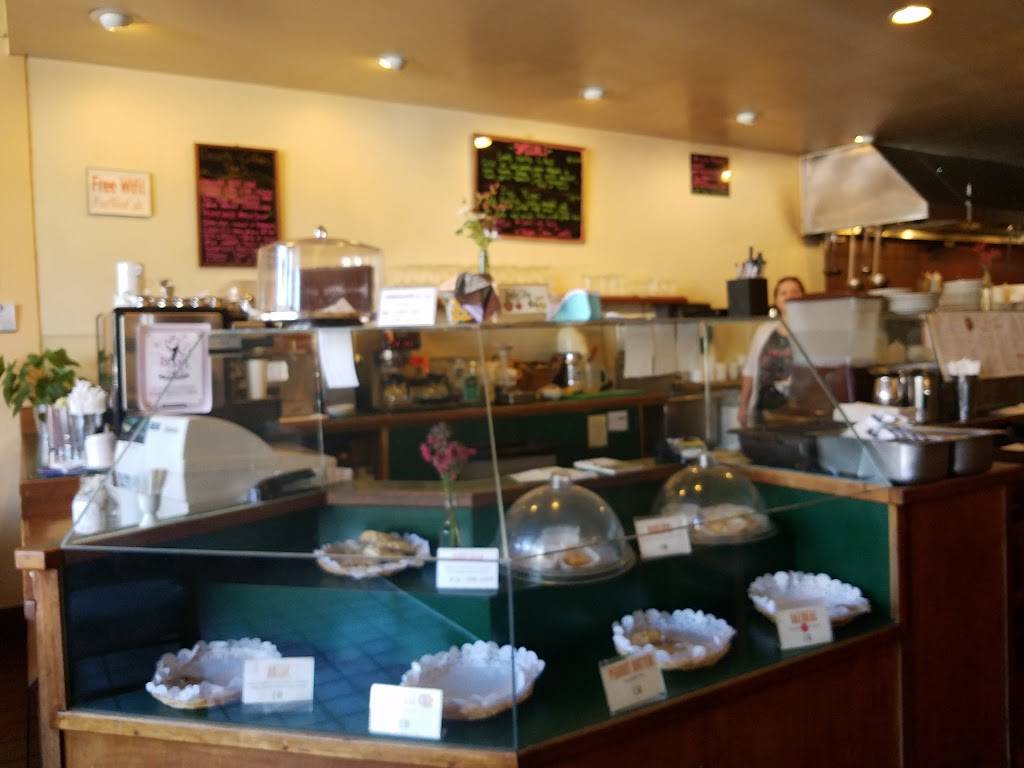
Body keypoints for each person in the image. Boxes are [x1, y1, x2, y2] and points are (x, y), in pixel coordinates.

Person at [738, 276, 806, 427]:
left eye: (795, 292)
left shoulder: (811, 331)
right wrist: (743, 405)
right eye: (783, 293)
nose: (789, 296)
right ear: (776, 300)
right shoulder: (763, 331)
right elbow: (749, 370)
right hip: (764, 409)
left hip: (800, 411)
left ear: (803, 297)